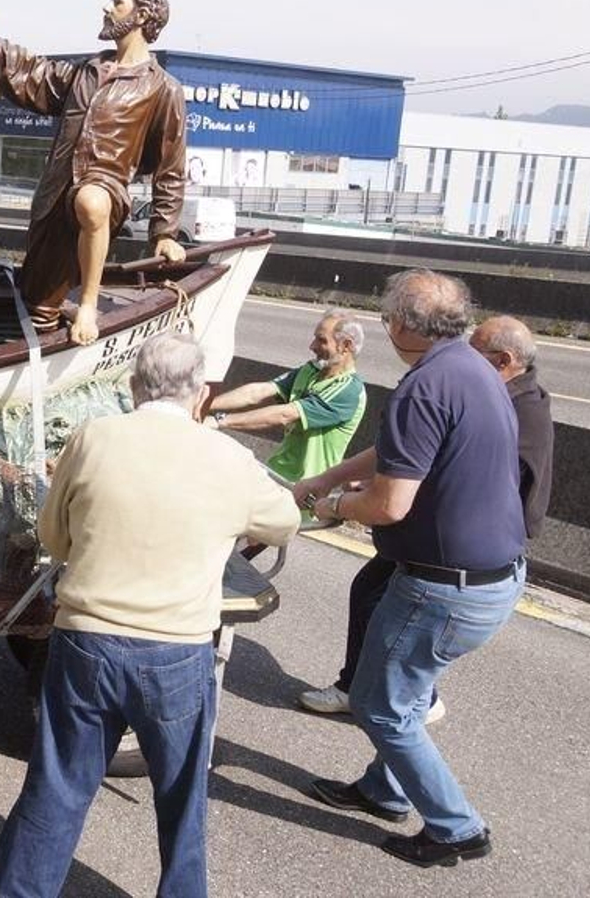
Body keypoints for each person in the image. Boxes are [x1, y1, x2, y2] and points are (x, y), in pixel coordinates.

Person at [0, 333, 298, 898]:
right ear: (201, 394)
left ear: (132, 387)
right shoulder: (229, 459)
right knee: (181, 795)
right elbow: (283, 523)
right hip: (176, 650)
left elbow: (53, 534)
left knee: (57, 786)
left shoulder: (92, 438)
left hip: (86, 641)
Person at [294, 270, 525, 868]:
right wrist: (332, 474)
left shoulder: (422, 386)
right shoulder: (471, 367)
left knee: (377, 704)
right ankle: (383, 788)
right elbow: (406, 452)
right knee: (410, 690)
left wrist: (332, 505)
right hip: (493, 576)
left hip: (442, 589)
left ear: (399, 324)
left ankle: (456, 827)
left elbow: (389, 503)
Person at [0, 0, 188, 346]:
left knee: (91, 202)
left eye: (117, 2)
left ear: (140, 15)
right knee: (39, 302)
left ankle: (89, 304)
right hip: (57, 193)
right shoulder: (87, 70)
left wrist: (165, 233)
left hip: (104, 188)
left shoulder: (163, 88)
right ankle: (39, 355)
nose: (106, 6)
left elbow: (171, 165)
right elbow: (38, 76)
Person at [206, 307, 367, 484]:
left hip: (304, 489)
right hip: (276, 474)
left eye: (321, 340)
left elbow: (285, 414)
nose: (312, 346)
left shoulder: (348, 390)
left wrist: (220, 420)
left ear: (346, 346)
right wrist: (205, 404)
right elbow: (258, 392)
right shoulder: (310, 370)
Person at [470, 315, 555, 537]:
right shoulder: (503, 395)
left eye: (473, 352)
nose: (463, 358)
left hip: (487, 533)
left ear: (503, 361)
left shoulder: (522, 411)